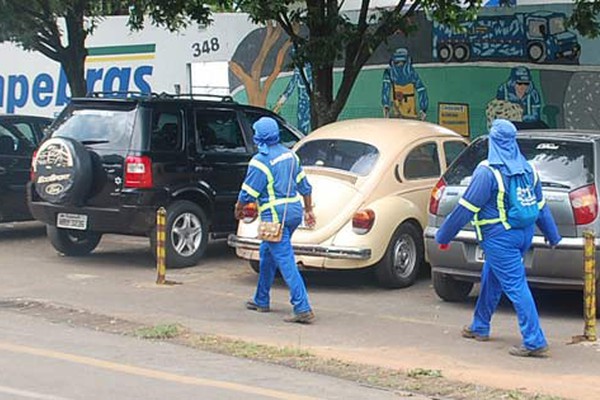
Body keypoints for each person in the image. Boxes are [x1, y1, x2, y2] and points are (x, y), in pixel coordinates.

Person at [435, 119, 561, 357]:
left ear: (493, 141)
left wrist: (444, 235)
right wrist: (552, 235)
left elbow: (465, 209)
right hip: (523, 235)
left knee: (515, 285)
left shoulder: (487, 171)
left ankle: (534, 340)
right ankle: (479, 326)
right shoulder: (528, 169)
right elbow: (541, 207)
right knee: (491, 278)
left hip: (499, 239)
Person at [234, 116, 316, 324]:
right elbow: (304, 186)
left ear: (259, 137)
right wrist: (308, 210)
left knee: (285, 260)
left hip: (274, 217)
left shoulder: (260, 161)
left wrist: (238, 209)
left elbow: (247, 194)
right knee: (266, 253)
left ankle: (302, 307)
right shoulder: (291, 155)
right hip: (294, 212)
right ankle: (261, 300)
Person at [381, 47, 428, 120]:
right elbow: (421, 89)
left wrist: (423, 109)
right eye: (398, 63)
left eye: (402, 62)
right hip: (400, 112)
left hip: (407, 112)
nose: (400, 65)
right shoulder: (411, 73)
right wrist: (423, 109)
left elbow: (385, 89)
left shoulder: (390, 73)